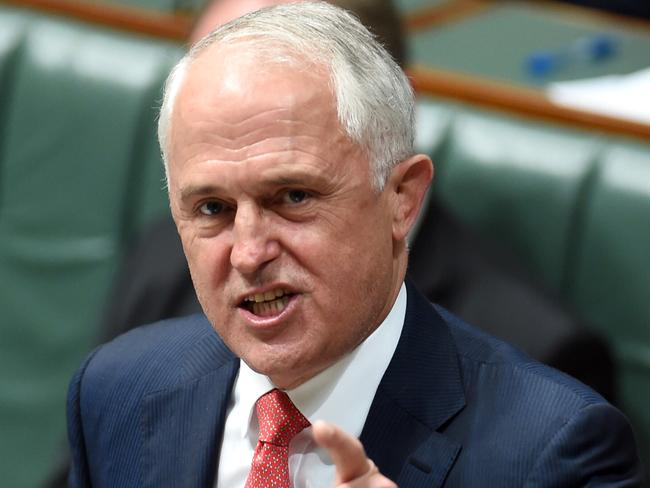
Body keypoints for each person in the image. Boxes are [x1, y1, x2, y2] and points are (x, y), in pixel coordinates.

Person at [67, 3, 642, 486]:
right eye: (212, 209)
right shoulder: (116, 391)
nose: (248, 253)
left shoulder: (557, 454)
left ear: (401, 200)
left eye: (292, 197)